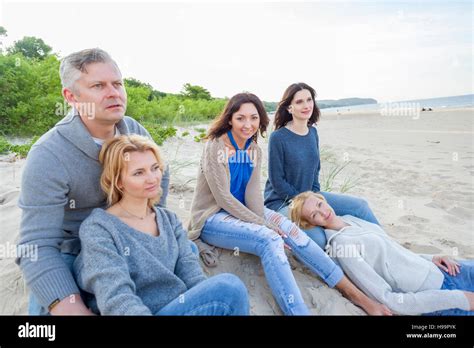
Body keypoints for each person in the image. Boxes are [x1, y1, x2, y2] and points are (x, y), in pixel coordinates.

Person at [187, 92, 392, 316]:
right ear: (229, 119)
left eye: (254, 118)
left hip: (244, 212)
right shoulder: (216, 147)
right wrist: (262, 224)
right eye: (240, 118)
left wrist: (264, 219)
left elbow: (253, 196)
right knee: (270, 238)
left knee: (294, 233)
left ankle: (357, 296)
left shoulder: (254, 150)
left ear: (261, 119)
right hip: (214, 216)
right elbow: (223, 198)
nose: (248, 124)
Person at [16, 48, 171, 315]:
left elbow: (161, 178)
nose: (114, 93)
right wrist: (70, 306)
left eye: (117, 84)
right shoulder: (48, 155)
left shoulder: (133, 130)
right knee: (47, 312)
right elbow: (36, 245)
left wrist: (154, 229)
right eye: (98, 85)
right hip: (71, 248)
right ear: (71, 97)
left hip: (128, 238)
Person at [73, 134, 249, 315]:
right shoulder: (99, 228)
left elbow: (193, 278)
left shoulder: (169, 220)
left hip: (179, 308)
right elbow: (116, 297)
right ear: (118, 182)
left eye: (155, 168)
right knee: (229, 287)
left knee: (205, 269)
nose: (152, 178)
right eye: (138, 173)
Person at [289, 191, 474, 315]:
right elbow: (389, 299)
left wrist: (431, 257)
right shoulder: (342, 245)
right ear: (312, 225)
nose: (322, 212)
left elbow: (395, 251)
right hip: (439, 294)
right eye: (314, 215)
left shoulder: (351, 219)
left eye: (319, 205)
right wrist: (456, 298)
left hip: (443, 269)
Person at [264, 82, 379, 249]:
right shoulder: (278, 138)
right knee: (319, 239)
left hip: (311, 196)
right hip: (283, 202)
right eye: (299, 102)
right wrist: (305, 202)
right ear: (289, 108)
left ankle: (386, 244)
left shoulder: (312, 132)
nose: (306, 105)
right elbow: (277, 181)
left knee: (360, 206)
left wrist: (315, 196)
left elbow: (315, 168)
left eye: (309, 100)